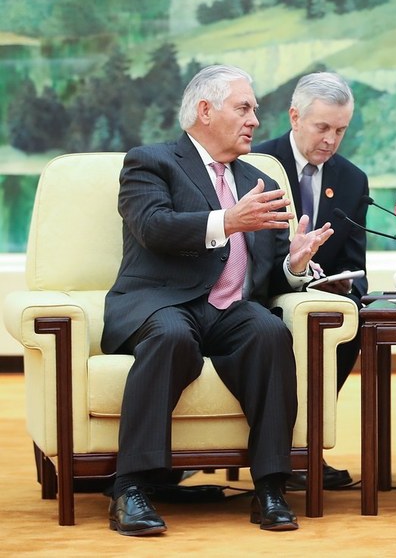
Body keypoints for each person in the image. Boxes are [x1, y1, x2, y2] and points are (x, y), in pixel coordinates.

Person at [102, 64, 333, 536]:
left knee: (270, 331)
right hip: (162, 304)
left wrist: (293, 263)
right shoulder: (151, 161)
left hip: (228, 311)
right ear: (205, 110)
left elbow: (264, 277)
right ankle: (131, 488)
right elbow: (153, 227)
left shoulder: (256, 180)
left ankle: (270, 487)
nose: (254, 120)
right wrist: (226, 221)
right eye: (243, 108)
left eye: (255, 110)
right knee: (170, 336)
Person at [253, 71, 368, 491]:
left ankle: (306, 447)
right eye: (322, 127)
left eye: (341, 130)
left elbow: (357, 263)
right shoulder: (256, 166)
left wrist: (344, 286)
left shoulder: (353, 180)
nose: (331, 140)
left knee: (349, 315)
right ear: (295, 116)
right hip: (261, 291)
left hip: (319, 299)